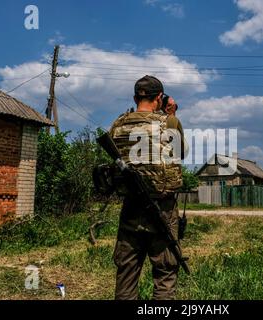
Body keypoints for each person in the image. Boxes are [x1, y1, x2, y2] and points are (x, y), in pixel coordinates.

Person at [108, 75, 185, 300]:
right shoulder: (168, 122)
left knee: (127, 272)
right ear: (160, 98)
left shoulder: (117, 125)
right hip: (162, 208)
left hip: (130, 208)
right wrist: (171, 115)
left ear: (135, 97)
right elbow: (181, 153)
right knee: (165, 273)